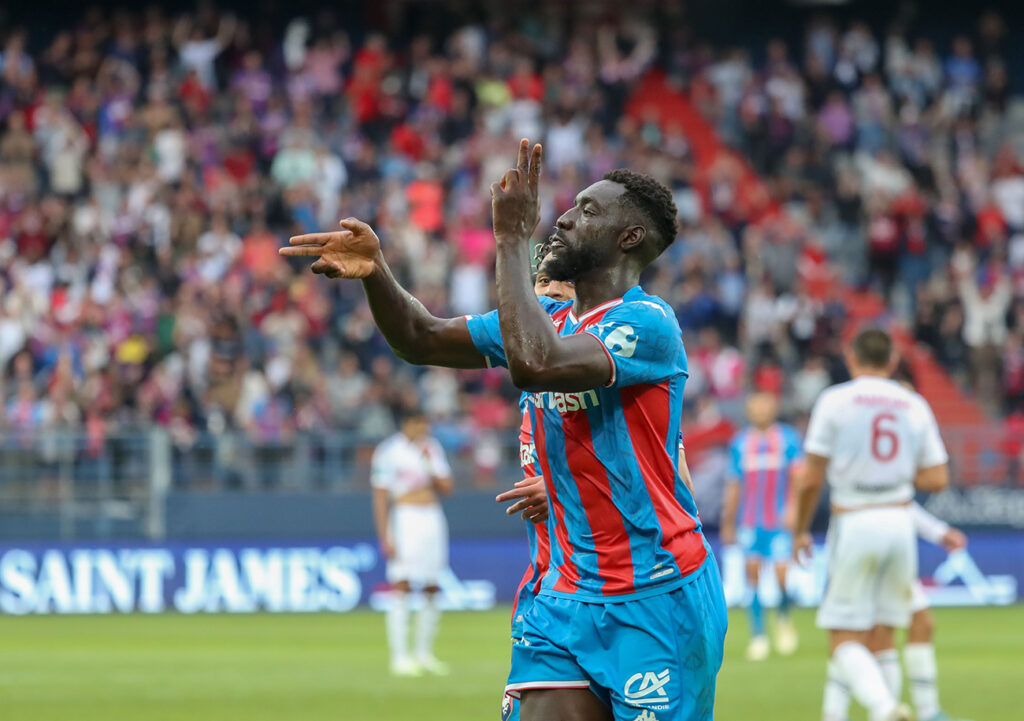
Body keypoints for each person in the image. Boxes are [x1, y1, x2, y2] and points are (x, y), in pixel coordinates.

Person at [282, 139, 727, 721]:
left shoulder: (647, 323)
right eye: (571, 205)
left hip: (657, 596)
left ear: (630, 238)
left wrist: (512, 239)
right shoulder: (553, 319)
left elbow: (536, 365)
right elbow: (420, 338)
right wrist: (376, 274)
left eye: (589, 211)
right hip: (564, 597)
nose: (565, 216)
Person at [792, 328, 949, 721]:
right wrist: (891, 474)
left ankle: (882, 708)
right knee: (883, 635)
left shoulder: (835, 400)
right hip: (898, 518)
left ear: (851, 357)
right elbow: (937, 478)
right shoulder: (913, 403)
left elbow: (811, 477)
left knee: (842, 637)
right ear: (893, 361)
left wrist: (799, 529)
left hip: (855, 519)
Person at [824, 504, 973, 721]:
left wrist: (938, 532)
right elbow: (911, 489)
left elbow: (895, 496)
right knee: (854, 637)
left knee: (903, 627)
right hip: (860, 540)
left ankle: (910, 711)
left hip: (887, 542)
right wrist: (937, 531)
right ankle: (879, 711)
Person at [370, 405, 454, 677]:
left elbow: (447, 488)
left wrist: (429, 463)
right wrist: (384, 534)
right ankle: (400, 656)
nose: (425, 429)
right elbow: (381, 495)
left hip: (432, 516)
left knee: (432, 584)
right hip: (405, 518)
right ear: (409, 423)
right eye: (421, 423)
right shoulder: (388, 451)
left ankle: (424, 653)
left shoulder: (431, 448)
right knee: (402, 583)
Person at [720, 390, 804, 661]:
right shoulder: (740, 442)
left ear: (773, 409)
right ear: (749, 411)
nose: (760, 412)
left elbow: (798, 479)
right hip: (749, 521)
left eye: (764, 406)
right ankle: (758, 636)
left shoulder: (788, 439)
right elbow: (734, 485)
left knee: (781, 577)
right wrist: (728, 521)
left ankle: (783, 618)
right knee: (752, 577)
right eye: (755, 407)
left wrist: (793, 509)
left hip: (778, 521)